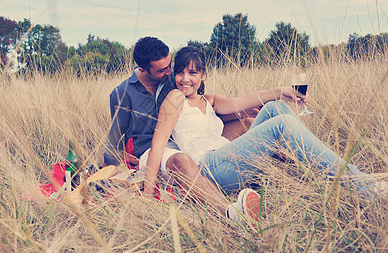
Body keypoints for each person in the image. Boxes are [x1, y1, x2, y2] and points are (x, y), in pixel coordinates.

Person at [143, 46, 378, 217]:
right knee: (281, 125)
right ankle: (363, 185)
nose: (185, 79)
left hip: (230, 158)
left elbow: (239, 103)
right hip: (211, 167)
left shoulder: (209, 99)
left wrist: (279, 91)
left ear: (203, 75)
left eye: (192, 73)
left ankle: (318, 167)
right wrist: (148, 190)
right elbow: (159, 143)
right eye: (180, 73)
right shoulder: (174, 99)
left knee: (275, 107)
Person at [105, 37, 260, 224]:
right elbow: (115, 137)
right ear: (144, 70)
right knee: (181, 159)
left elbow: (199, 110)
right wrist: (119, 158)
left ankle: (279, 174)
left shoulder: (176, 78)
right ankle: (230, 214)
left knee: (249, 122)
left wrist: (239, 113)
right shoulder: (122, 93)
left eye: (170, 65)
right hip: (155, 149)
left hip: (188, 140)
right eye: (162, 70)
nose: (170, 72)